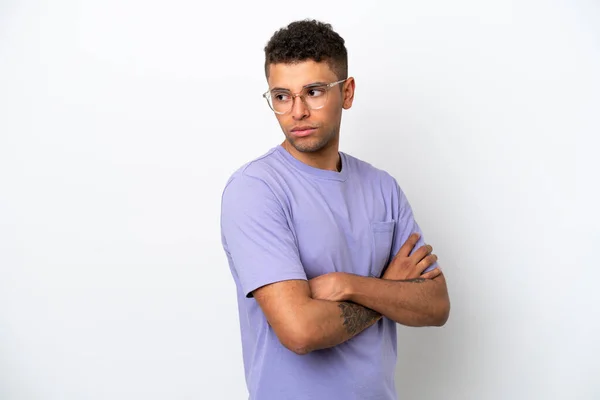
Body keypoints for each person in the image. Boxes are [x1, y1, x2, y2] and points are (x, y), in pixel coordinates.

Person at [220, 19, 450, 400]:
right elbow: (300, 331)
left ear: (347, 92)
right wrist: (389, 292)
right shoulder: (256, 190)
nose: (297, 111)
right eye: (281, 96)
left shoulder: (382, 187)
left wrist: (349, 285)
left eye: (313, 92)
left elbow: (436, 305)